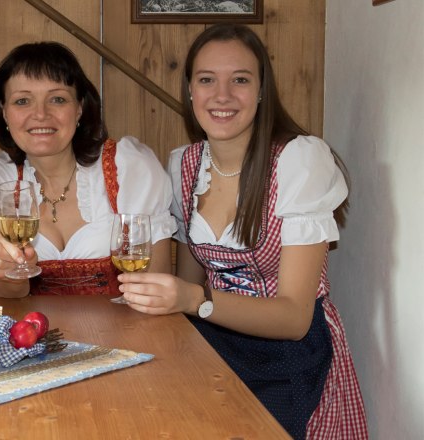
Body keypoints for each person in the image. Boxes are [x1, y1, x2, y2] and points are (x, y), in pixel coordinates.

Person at [117, 24, 368, 439]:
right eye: (206, 80)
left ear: (262, 90)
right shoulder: (184, 164)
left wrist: (194, 300)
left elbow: (293, 318)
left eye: (240, 80)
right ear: (190, 91)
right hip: (213, 348)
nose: (222, 96)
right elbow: (189, 286)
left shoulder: (299, 161)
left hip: (291, 360)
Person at [0, 42, 177, 297]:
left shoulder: (129, 169)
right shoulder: (0, 180)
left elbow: (157, 290)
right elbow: (5, 295)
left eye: (57, 99)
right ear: (4, 114)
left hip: (125, 334)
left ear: (79, 108)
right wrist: (4, 271)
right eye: (22, 101)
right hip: (36, 336)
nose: (40, 114)